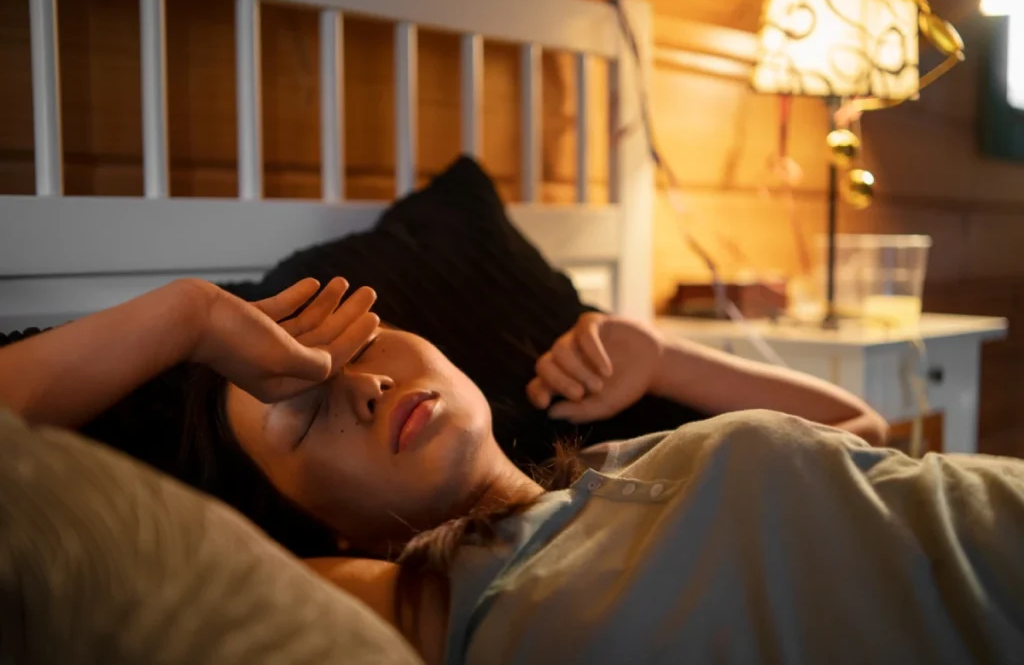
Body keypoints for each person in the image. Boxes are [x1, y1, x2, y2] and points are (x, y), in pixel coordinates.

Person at [4, 279, 1021, 664]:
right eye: (300, 406)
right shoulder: (388, 598)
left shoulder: (628, 459)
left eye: (363, 346)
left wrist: (663, 357)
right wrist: (181, 317)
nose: (359, 387)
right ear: (328, 526)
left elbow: (864, 441)